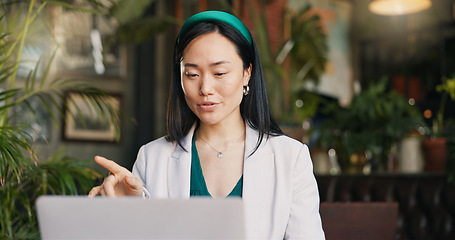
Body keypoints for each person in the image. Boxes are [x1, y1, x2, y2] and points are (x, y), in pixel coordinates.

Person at [89, 10, 325, 239]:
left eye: (219, 73)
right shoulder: (153, 158)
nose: (205, 88)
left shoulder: (290, 158)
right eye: (191, 74)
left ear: (246, 73)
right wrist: (125, 213)